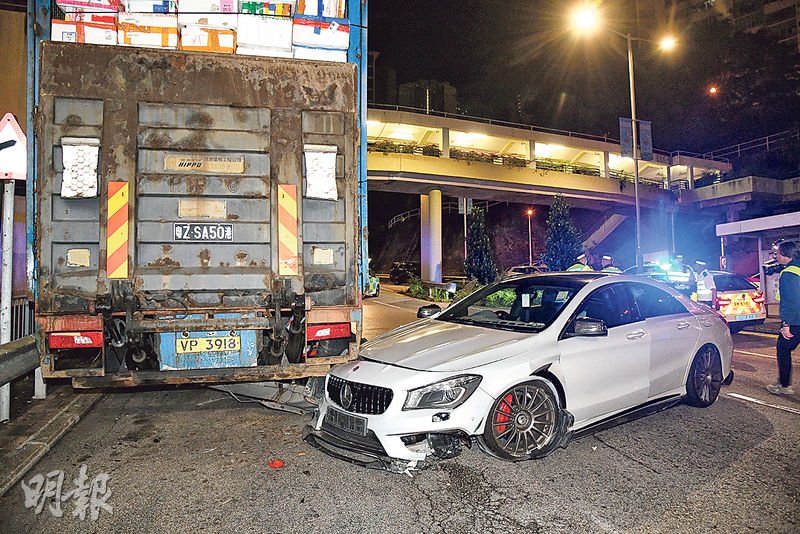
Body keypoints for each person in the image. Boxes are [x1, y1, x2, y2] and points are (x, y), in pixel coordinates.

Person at [768, 240, 800, 396]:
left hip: (796, 320)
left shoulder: (788, 274)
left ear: (785, 255)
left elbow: (791, 300)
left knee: (783, 349)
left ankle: (784, 385)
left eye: (778, 253)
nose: (776, 256)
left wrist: (786, 324)